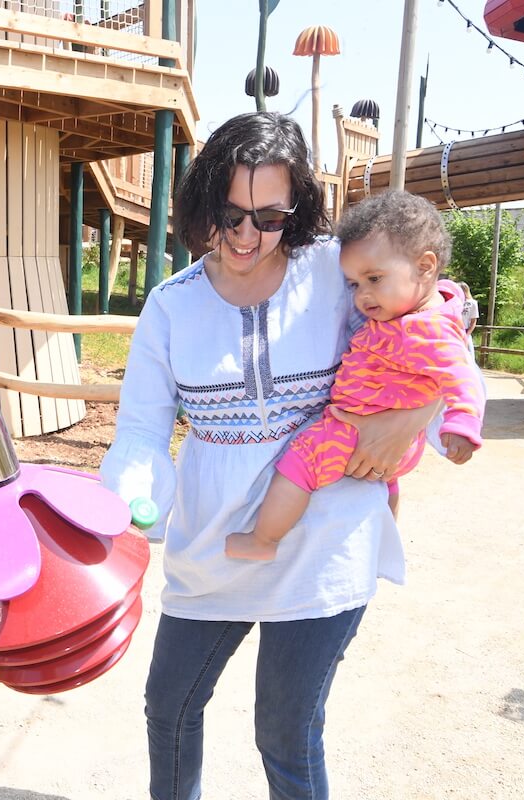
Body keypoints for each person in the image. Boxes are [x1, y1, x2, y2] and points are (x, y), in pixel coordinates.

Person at [99, 111, 443, 800]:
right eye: (229, 215)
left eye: (270, 217)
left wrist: (415, 416)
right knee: (170, 707)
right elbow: (141, 429)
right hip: (215, 544)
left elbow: (434, 323)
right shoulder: (171, 306)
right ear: (203, 202)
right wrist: (126, 504)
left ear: (298, 209)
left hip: (325, 540)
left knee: (286, 730)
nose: (246, 236)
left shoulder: (336, 274)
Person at [225, 192, 485, 561]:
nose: (363, 295)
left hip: (354, 429)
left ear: (425, 267)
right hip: (392, 441)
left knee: (300, 462)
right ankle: (382, 545)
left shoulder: (427, 330)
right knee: (386, 482)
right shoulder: (422, 313)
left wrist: (463, 425)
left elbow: (463, 378)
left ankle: (263, 540)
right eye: (354, 284)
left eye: (374, 279)